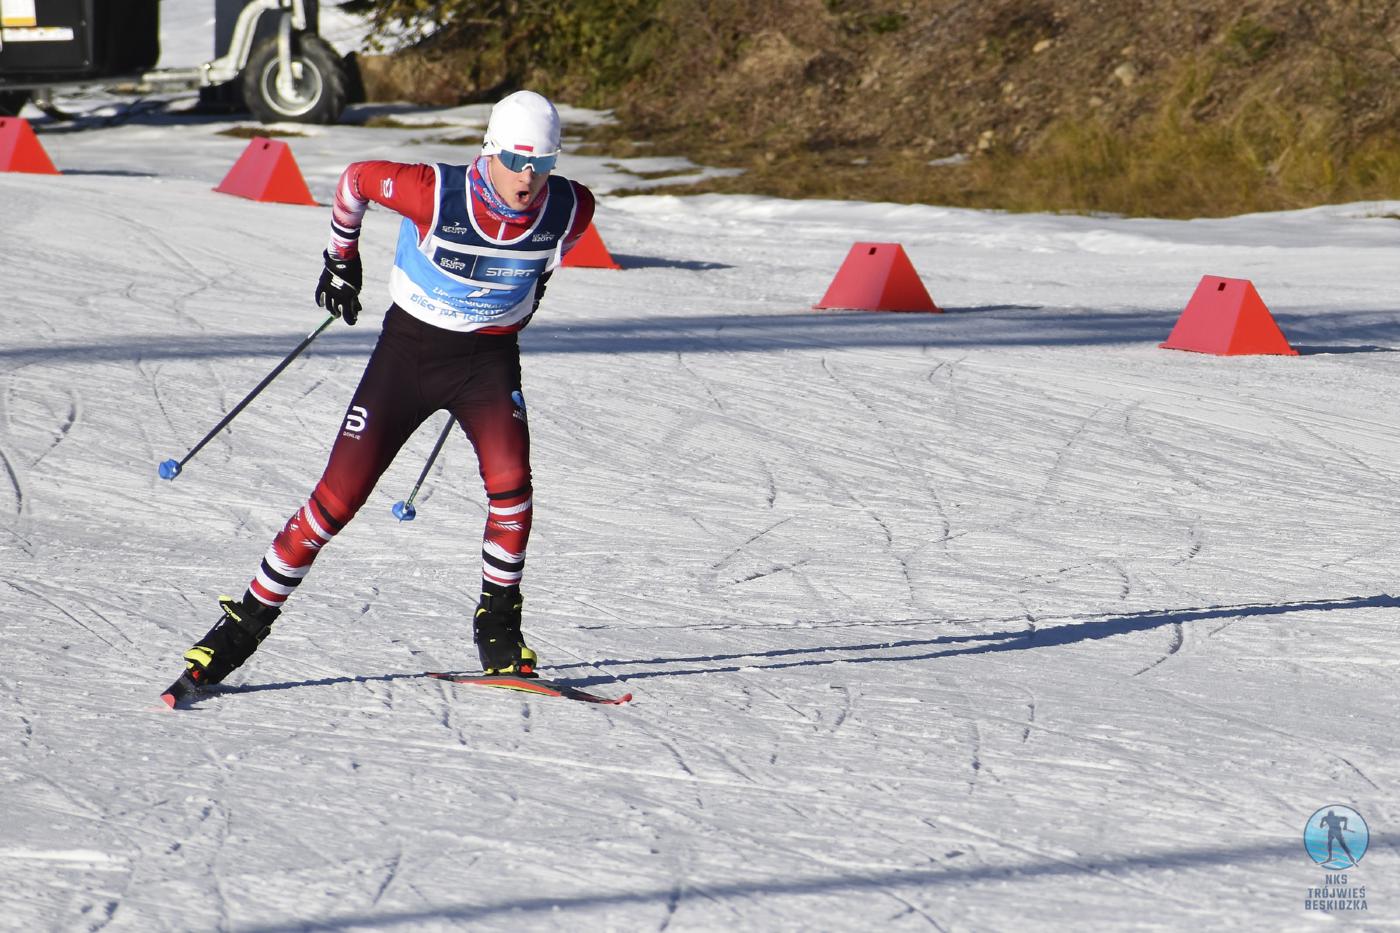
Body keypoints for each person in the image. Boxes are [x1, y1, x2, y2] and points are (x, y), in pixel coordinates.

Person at [177, 90, 595, 686]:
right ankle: (241, 627)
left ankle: (499, 627)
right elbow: (355, 181)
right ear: (489, 150)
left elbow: (551, 256)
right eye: (515, 160)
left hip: (488, 362)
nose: (528, 178)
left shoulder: (573, 207)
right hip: (410, 356)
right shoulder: (434, 191)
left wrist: (528, 291)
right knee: (336, 501)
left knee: (512, 488)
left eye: (542, 163)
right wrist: (340, 259)